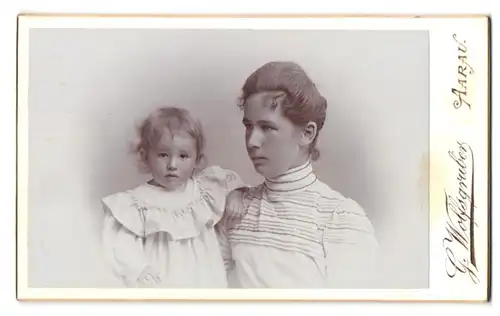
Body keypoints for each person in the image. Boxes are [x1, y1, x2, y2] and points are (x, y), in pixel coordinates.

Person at [217, 61, 380, 288]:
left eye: (267, 127)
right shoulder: (237, 208)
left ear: (307, 133)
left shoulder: (340, 217)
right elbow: (212, 289)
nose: (252, 142)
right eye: (248, 126)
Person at [101, 106, 245, 288]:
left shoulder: (203, 190)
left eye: (183, 156)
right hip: (163, 278)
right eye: (163, 155)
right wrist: (138, 269)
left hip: (205, 278)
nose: (172, 164)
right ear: (146, 157)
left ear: (197, 160)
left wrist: (235, 195)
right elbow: (121, 245)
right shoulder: (136, 203)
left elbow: (230, 181)